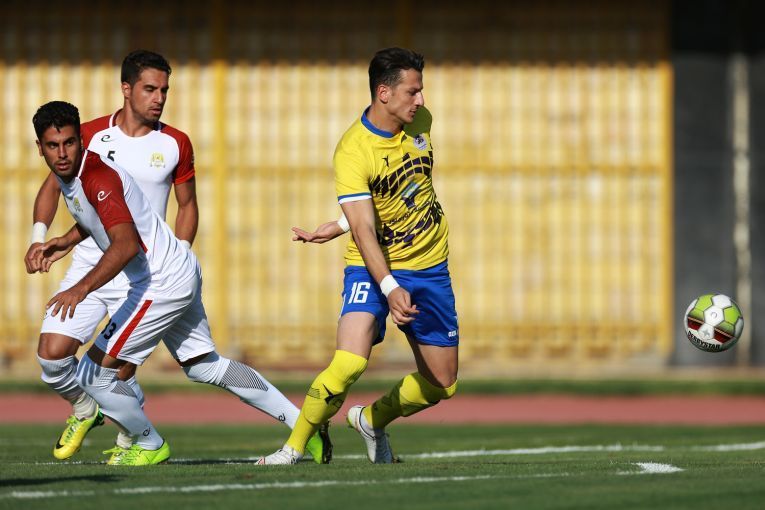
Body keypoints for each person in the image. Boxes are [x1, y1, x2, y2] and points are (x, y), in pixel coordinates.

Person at [30, 101, 331, 466]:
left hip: (159, 282)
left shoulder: (97, 176)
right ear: (40, 148)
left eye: (69, 143)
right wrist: (66, 240)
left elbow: (125, 245)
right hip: (178, 270)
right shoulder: (79, 177)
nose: (62, 153)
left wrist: (80, 288)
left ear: (82, 140)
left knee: (92, 375)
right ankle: (304, 425)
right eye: (53, 146)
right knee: (205, 365)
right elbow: (103, 218)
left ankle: (149, 443)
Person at [258, 47, 458, 465]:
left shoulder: (421, 121)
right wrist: (389, 285)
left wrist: (339, 222)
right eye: (412, 91)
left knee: (442, 383)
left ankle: (370, 419)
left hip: (429, 265)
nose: (421, 100)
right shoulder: (352, 150)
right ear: (384, 93)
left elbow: (398, 192)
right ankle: (292, 448)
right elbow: (366, 229)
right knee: (348, 362)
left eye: (421, 90)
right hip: (372, 265)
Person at [24, 49, 197, 461]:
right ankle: (86, 410)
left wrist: (180, 255)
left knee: (116, 372)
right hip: (94, 262)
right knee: (51, 357)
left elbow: (187, 205)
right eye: (150, 88)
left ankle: (137, 441)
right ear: (126, 88)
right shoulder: (85, 135)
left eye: (164, 90)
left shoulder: (175, 142)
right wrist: (41, 237)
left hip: (142, 269)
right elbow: (54, 189)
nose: (159, 98)